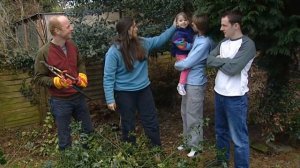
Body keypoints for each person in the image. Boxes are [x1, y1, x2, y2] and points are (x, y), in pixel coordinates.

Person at [103, 17, 176, 147]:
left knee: (151, 121)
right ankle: (131, 153)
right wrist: (110, 99)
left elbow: (160, 39)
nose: (137, 29)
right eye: (134, 26)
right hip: (124, 93)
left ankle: (156, 150)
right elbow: (108, 77)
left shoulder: (142, 43)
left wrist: (174, 26)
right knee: (128, 124)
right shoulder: (114, 52)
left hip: (144, 90)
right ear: (127, 30)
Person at [34, 15, 94, 150]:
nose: (72, 29)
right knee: (65, 138)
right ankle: (67, 162)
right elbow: (38, 77)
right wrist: (56, 81)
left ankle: (89, 159)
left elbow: (80, 63)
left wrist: (82, 75)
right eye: (68, 27)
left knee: (88, 132)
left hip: (78, 97)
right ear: (57, 31)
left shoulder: (72, 45)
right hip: (60, 102)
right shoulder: (43, 52)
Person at [206, 11, 256, 168]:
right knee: (221, 131)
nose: (221, 28)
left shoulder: (247, 45)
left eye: (224, 25)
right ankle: (222, 162)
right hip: (219, 93)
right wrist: (227, 61)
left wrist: (221, 61)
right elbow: (208, 60)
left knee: (239, 138)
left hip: (236, 97)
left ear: (236, 26)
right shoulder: (223, 43)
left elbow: (232, 69)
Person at [174, 13, 214, 158]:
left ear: (199, 26)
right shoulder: (197, 38)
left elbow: (188, 62)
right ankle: (187, 142)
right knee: (185, 112)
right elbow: (186, 48)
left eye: (194, 24)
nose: (191, 25)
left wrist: (177, 64)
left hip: (196, 83)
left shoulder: (205, 43)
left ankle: (196, 147)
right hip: (187, 81)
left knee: (194, 115)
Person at [171, 12, 195, 96]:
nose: (183, 22)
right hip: (180, 53)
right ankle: (181, 84)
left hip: (187, 53)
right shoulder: (177, 33)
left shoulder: (189, 30)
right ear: (177, 23)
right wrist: (193, 46)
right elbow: (182, 46)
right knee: (186, 67)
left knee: (189, 67)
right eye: (180, 20)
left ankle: (185, 81)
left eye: (185, 20)